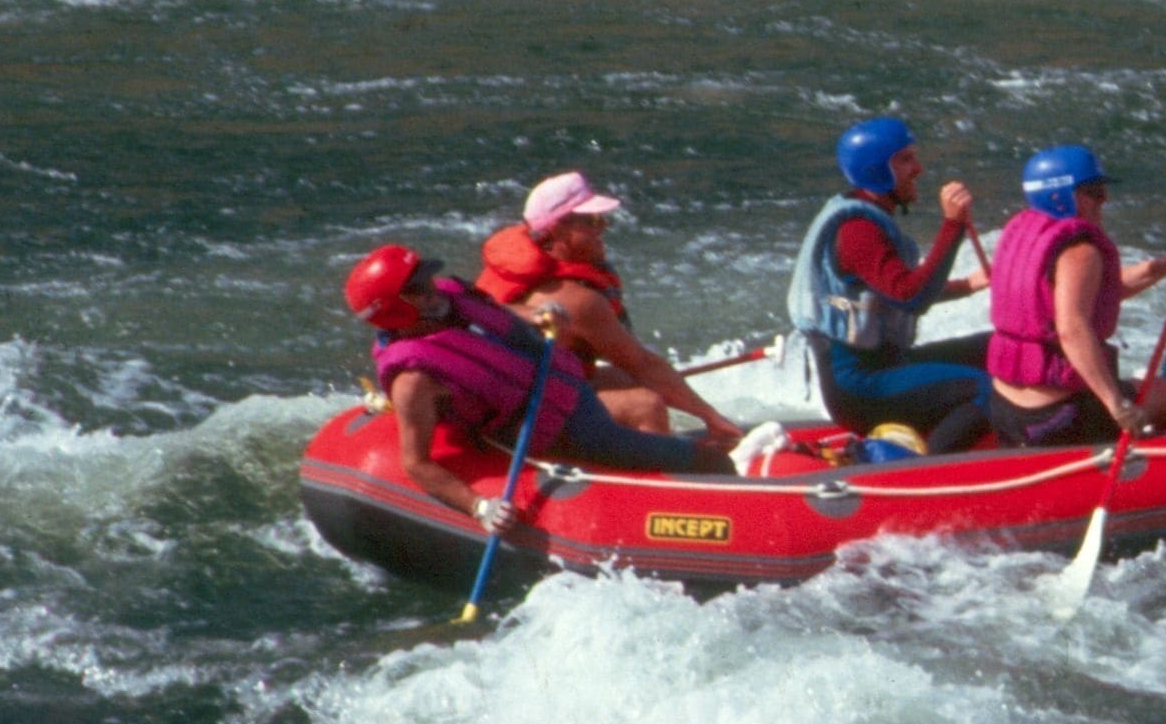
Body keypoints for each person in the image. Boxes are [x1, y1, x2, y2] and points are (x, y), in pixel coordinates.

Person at [342, 243, 727, 534]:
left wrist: (538, 315)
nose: (431, 288)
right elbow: (416, 463)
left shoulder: (447, 298)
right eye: (417, 288)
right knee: (707, 460)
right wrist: (479, 507)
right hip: (557, 431)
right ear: (395, 309)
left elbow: (498, 314)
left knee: (645, 407)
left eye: (426, 278)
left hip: (568, 392)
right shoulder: (413, 382)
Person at [476, 171, 744, 457]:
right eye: (591, 220)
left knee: (621, 378)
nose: (603, 227)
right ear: (558, 229)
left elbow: (633, 367)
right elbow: (644, 365)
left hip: (519, 395)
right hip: (514, 417)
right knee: (645, 405)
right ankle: (656, 475)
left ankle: (629, 453)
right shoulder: (576, 300)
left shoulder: (521, 272)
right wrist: (712, 417)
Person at [786, 117, 996, 451]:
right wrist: (953, 226)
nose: (919, 169)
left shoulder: (868, 217)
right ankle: (928, 469)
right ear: (876, 171)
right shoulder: (857, 230)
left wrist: (967, 284)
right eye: (906, 160)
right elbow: (911, 297)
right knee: (986, 389)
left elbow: (891, 289)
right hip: (860, 386)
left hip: (885, 366)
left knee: (997, 347)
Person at [983, 144, 1166, 449]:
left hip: (1006, 408)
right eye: (1094, 192)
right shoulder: (1080, 252)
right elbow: (1072, 329)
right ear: (1060, 196)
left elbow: (1100, 291)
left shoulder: (1023, 235)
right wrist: (1117, 405)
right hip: (1058, 416)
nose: (1104, 200)